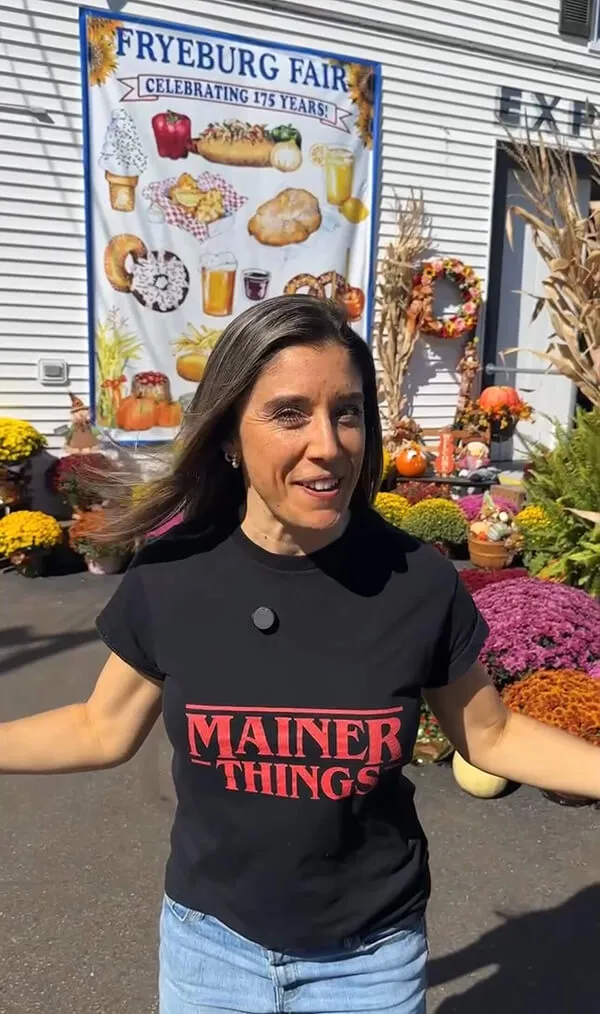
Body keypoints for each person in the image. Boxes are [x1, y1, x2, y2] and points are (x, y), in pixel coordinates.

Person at [2, 295, 598, 1014]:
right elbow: (101, 728)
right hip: (210, 951)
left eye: (346, 412)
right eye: (290, 414)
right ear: (228, 434)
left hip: (369, 964)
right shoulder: (174, 579)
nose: (329, 443)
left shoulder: (416, 581)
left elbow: (491, 733)